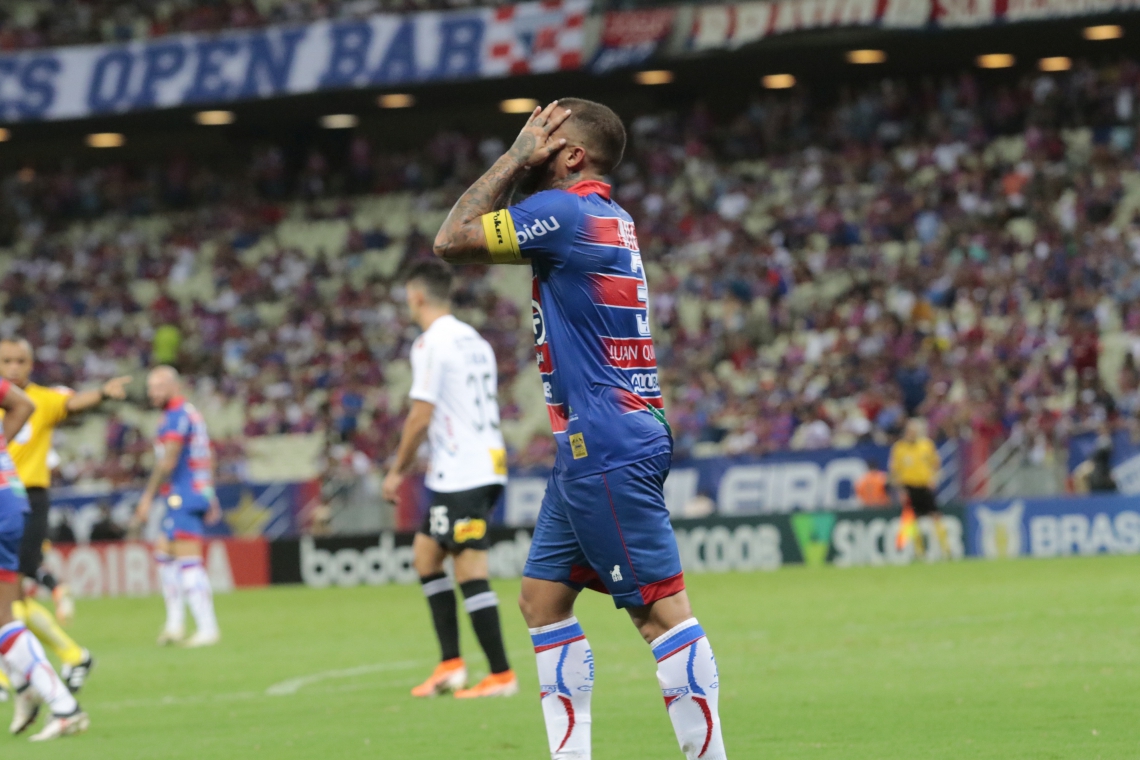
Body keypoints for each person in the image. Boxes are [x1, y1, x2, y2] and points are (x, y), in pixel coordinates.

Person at [434, 99, 727, 759]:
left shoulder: (566, 213)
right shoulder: (607, 218)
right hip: (599, 442)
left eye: (547, 137)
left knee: (660, 614)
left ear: (570, 155)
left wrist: (513, 157)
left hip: (607, 441)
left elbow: (451, 239)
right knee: (541, 601)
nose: (535, 143)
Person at [382, 259, 516, 699]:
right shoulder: (474, 340)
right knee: (426, 554)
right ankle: (451, 664)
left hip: (464, 471)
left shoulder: (431, 343)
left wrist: (397, 470)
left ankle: (500, 674)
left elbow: (421, 414)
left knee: (469, 566)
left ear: (417, 295)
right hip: (480, 464)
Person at [0, 337, 128, 693]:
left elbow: (73, 402)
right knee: (12, 597)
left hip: (25, 498)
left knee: (11, 589)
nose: (13, 368)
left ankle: (34, 671)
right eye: (6, 361)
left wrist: (102, 392)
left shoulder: (41, 399)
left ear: (31, 364)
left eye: (20, 361)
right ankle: (69, 657)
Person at [0, 378, 90, 740]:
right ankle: (39, 695)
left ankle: (52, 699)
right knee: (4, 617)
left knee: (5, 619)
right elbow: (23, 403)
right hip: (10, 500)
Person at [129, 367, 221, 648]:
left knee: (187, 559)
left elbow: (167, 461)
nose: (152, 393)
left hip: (183, 493)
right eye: (150, 388)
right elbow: (209, 454)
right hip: (193, 490)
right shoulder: (190, 413)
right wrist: (210, 492)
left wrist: (146, 498)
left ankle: (207, 628)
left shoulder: (177, 416)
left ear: (173, 386)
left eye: (158, 387)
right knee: (164, 554)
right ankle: (175, 624)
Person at [889, 418, 949, 557]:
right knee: (912, 520)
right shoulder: (899, 448)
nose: (912, 434)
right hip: (909, 487)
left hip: (924, 486)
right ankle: (919, 551)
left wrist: (934, 477)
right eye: (910, 431)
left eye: (914, 431)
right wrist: (901, 490)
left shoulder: (926, 445)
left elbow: (936, 463)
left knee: (936, 516)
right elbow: (894, 471)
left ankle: (946, 549)